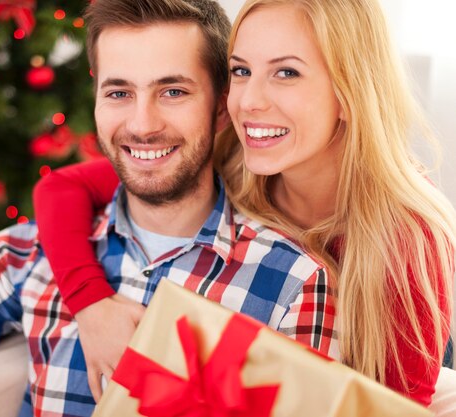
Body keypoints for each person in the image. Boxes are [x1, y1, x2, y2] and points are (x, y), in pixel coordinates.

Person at [0, 0, 338, 415]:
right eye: (119, 92)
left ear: (221, 106)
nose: (142, 124)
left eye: (173, 91)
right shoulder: (29, 253)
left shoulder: (292, 281)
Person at [33, 0, 456, 407]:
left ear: (348, 91)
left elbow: (396, 406)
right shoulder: (233, 156)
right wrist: (90, 304)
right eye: (241, 71)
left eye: (286, 72)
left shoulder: (409, 239)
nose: (248, 101)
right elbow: (60, 189)